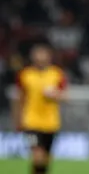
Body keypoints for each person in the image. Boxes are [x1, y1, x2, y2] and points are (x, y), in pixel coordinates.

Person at [12, 44, 68, 174]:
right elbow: (19, 99)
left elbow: (65, 96)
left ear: (49, 57)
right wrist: (17, 120)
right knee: (37, 155)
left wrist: (55, 95)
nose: (40, 58)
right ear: (33, 57)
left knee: (45, 160)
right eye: (38, 54)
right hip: (31, 122)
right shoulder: (25, 74)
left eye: (43, 55)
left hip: (51, 123)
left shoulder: (56, 74)